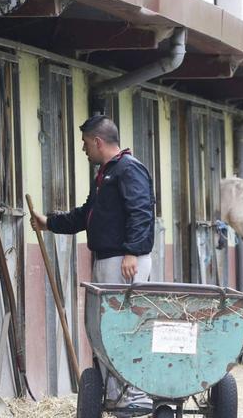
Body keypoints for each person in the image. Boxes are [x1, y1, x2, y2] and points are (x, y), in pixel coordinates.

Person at [31, 114, 155, 414]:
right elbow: (87, 214)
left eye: (86, 143)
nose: (84, 149)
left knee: (127, 326)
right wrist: (50, 223)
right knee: (108, 329)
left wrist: (131, 252)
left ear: (98, 141)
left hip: (124, 262)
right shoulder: (106, 174)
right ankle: (117, 394)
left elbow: (142, 210)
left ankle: (134, 394)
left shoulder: (128, 170)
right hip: (109, 259)